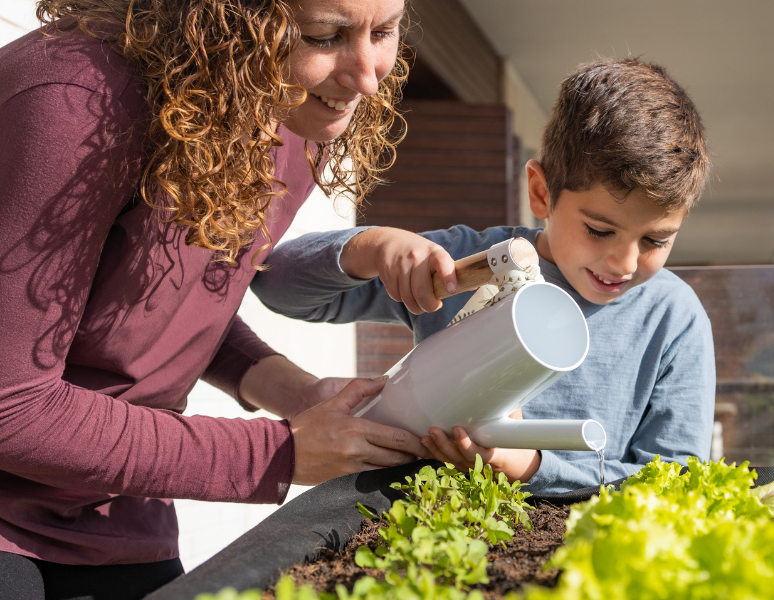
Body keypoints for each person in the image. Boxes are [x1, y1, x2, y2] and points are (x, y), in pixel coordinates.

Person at [0, 0, 443, 596]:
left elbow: (153, 294)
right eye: (325, 36)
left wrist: (295, 392)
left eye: (383, 31)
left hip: (114, 516)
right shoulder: (73, 104)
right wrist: (278, 455)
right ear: (228, 21)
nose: (367, 75)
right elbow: (13, 407)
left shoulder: (280, 104)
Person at [251, 57, 717, 493]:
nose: (625, 263)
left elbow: (676, 483)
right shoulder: (471, 263)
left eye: (656, 241)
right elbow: (273, 284)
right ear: (540, 192)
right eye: (599, 230)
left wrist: (532, 467)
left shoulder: (673, 318)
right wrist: (371, 248)